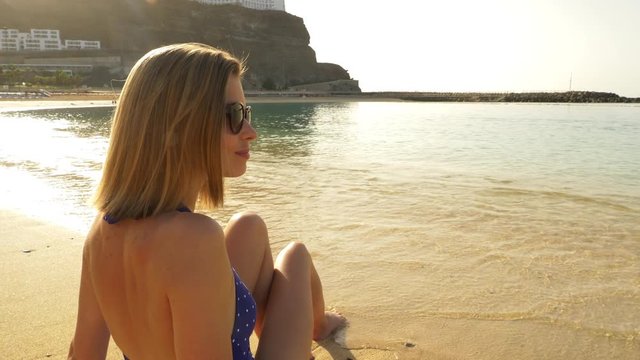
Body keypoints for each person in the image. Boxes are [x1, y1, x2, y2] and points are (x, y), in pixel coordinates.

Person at [67, 43, 345, 360]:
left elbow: (83, 353)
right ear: (179, 126)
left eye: (247, 113)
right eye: (235, 115)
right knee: (295, 257)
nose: (251, 132)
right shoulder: (194, 239)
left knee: (248, 226)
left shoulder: (102, 230)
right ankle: (318, 325)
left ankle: (316, 324)